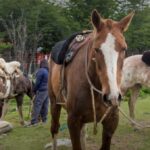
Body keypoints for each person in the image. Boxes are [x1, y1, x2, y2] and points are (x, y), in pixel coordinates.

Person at [28, 59, 49, 126]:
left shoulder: (41, 71)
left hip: (41, 90)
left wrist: (34, 89)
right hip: (47, 90)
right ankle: (44, 120)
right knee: (45, 105)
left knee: (37, 105)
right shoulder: (48, 71)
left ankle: (34, 121)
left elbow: (37, 82)